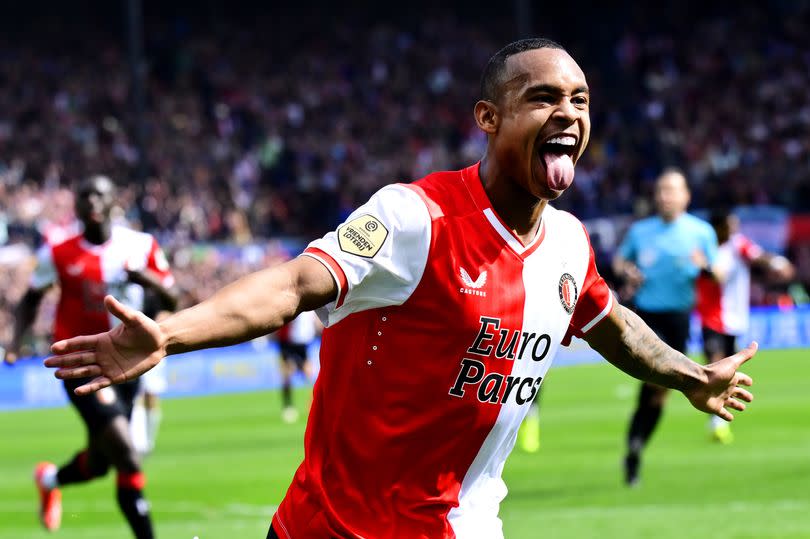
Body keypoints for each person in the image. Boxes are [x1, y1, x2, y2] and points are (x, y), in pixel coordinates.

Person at [45, 40, 756, 539]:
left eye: (579, 98)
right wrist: (170, 331)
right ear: (489, 119)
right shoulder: (416, 217)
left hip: (460, 527)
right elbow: (294, 283)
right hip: (321, 525)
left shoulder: (568, 243)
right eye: (542, 98)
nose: (567, 112)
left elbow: (610, 322)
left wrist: (691, 375)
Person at [6, 175, 177, 537]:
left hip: (129, 363)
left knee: (102, 463)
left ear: (115, 200)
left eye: (100, 194)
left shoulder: (142, 245)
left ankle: (50, 479)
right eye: (85, 195)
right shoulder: (57, 252)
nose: (93, 201)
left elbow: (172, 301)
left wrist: (146, 280)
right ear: (78, 206)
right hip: (80, 361)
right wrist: (14, 342)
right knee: (128, 454)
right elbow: (30, 299)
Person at [612, 169, 719, 486]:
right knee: (655, 380)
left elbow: (717, 273)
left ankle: (635, 448)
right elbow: (620, 261)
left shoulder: (701, 232)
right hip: (646, 318)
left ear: (686, 195)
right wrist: (627, 270)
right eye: (660, 190)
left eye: (671, 190)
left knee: (658, 395)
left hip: (679, 319)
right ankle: (634, 448)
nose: (664, 196)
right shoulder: (641, 231)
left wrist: (707, 268)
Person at [696, 209, 794, 443]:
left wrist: (778, 263)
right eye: (730, 224)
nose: (734, 228)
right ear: (718, 228)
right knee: (715, 365)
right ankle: (716, 421)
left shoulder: (737, 244)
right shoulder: (704, 249)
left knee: (727, 370)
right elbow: (706, 274)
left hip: (735, 319)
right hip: (710, 318)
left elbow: (759, 256)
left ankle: (719, 416)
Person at [276, 311, 321, 423]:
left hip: (301, 340)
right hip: (287, 340)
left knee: (308, 371)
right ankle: (288, 405)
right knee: (287, 372)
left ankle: (315, 402)